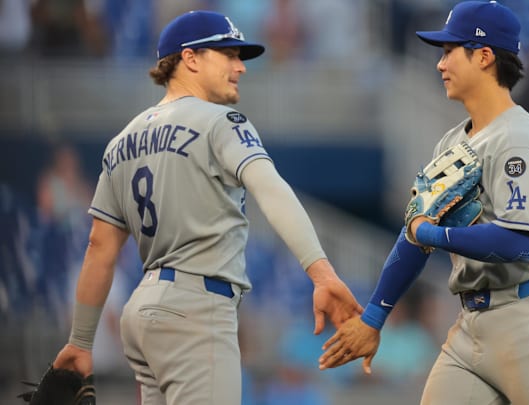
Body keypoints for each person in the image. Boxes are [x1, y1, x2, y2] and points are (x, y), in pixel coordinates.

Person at [47, 10, 363, 404]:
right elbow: (272, 190)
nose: (240, 67)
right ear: (190, 58)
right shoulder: (221, 121)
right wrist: (322, 273)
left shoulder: (121, 141)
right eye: (228, 54)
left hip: (143, 312)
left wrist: (80, 341)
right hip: (196, 309)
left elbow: (99, 246)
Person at [319, 2, 529, 404]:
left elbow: (520, 241)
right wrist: (374, 318)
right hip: (470, 327)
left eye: (449, 51)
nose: (440, 63)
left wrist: (433, 232)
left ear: (484, 56)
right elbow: (414, 234)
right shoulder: (452, 142)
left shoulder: (517, 138)